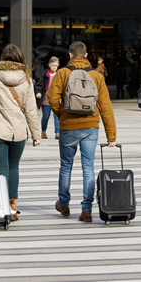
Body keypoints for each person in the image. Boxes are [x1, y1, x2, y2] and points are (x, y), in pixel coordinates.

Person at [48, 41, 117, 223]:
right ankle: (86, 210)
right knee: (88, 168)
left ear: (70, 55)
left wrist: (61, 113)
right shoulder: (96, 75)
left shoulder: (62, 73)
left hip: (68, 127)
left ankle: (64, 204)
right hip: (90, 127)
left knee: (65, 166)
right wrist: (111, 136)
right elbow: (106, 107)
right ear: (86, 56)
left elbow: (51, 97)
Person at [0, 43, 41, 221]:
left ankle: (1, 205)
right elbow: (30, 110)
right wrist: (36, 135)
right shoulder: (27, 79)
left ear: (2, 58)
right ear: (20, 59)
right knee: (14, 168)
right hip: (19, 132)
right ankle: (13, 208)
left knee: (1, 169)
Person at [35, 56, 61, 140]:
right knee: (45, 116)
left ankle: (57, 132)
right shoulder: (45, 74)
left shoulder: (59, 74)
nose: (54, 67)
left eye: (56, 65)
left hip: (56, 98)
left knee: (57, 116)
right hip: (46, 98)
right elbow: (39, 84)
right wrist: (38, 92)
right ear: (49, 65)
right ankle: (43, 131)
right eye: (53, 65)